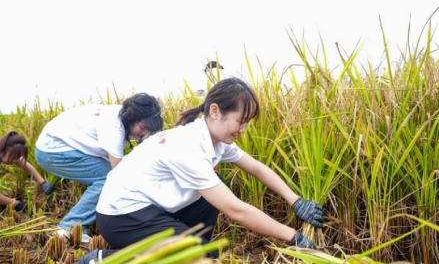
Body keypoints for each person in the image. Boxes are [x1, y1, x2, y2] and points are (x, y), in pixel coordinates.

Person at [78, 77, 323, 263]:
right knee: (198, 256)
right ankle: (103, 258)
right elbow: (235, 210)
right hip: (122, 215)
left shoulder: (216, 141)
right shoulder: (187, 147)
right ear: (215, 111)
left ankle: (185, 248)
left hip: (152, 208)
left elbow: (257, 168)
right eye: (241, 120)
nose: (244, 129)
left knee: (211, 198)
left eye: (247, 122)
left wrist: (296, 200)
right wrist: (293, 237)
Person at [35, 93, 163, 243]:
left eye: (148, 130)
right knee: (107, 178)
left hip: (60, 146)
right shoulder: (114, 128)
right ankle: (70, 226)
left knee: (107, 174)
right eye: (143, 127)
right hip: (52, 150)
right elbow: (118, 177)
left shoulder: (121, 116)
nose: (144, 134)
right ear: (133, 118)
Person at [0, 131, 54, 212]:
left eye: (17, 157)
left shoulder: (5, 150)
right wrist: (14, 203)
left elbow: (24, 164)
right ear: (3, 150)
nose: (15, 160)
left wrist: (43, 183)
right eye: (13, 157)